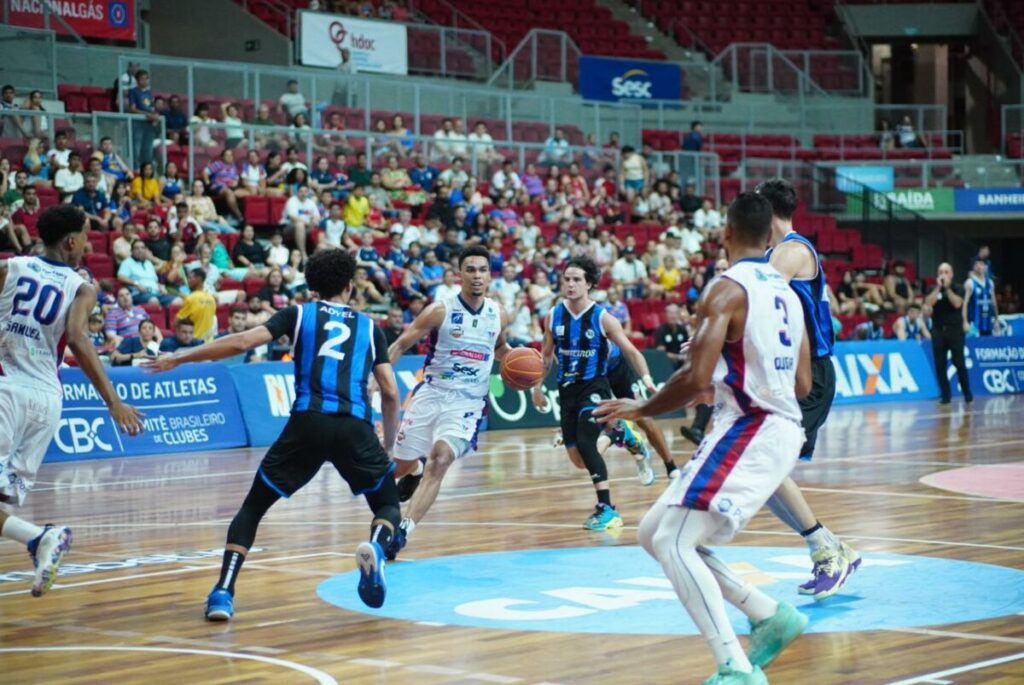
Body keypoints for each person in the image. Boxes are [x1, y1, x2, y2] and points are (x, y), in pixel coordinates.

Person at [594, 191, 812, 685]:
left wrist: (641, 407)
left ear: (727, 233)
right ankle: (766, 612)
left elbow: (693, 379)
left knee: (673, 540)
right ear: (769, 236)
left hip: (751, 428)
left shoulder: (725, 289)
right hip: (776, 426)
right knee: (653, 532)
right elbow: (801, 384)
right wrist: (728, 379)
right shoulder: (788, 293)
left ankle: (735, 665)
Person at [145, 249, 402, 619]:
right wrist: (388, 447)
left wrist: (179, 357)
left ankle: (222, 593)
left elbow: (240, 343)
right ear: (350, 286)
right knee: (388, 505)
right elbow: (391, 392)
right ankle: (376, 550)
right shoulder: (369, 327)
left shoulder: (299, 313)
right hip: (354, 426)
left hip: (307, 424)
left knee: (253, 508)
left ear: (312, 286)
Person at [0, 205, 143, 597]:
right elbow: (78, 339)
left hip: (6, 389)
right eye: (86, 235)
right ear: (70, 241)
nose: (89, 242)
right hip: (46, 400)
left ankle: (39, 538)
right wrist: (112, 401)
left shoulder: (10, 268)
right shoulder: (83, 288)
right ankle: (38, 540)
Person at [754, 179, 860, 599]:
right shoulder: (772, 254)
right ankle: (833, 549)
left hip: (809, 373)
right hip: (786, 371)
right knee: (763, 475)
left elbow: (754, 300)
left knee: (766, 466)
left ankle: (826, 553)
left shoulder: (793, 251)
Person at [385, 246, 511, 559]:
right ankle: (412, 468)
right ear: (459, 274)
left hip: (467, 402)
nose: (477, 276)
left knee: (440, 459)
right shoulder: (439, 310)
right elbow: (401, 344)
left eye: (483, 269)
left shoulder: (499, 314)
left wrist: (524, 367)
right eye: (471, 269)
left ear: (489, 274)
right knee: (395, 468)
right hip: (431, 395)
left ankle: (403, 531)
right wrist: (379, 377)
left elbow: (500, 348)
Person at [532, 256, 657, 530]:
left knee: (588, 443)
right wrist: (537, 386)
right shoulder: (553, 315)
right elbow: (546, 355)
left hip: (595, 388)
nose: (571, 284)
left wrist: (647, 378)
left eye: (577, 279)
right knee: (579, 459)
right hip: (567, 391)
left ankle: (607, 509)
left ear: (589, 284)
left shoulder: (602, 317)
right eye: (567, 279)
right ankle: (619, 433)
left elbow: (631, 351)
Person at [926, 262, 972, 404]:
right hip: (938, 331)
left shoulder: (958, 288)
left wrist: (947, 290)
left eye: (946, 272)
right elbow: (928, 304)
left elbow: (957, 303)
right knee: (940, 365)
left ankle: (967, 393)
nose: (943, 275)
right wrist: (939, 288)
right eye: (941, 272)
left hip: (955, 331)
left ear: (951, 274)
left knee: (959, 363)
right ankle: (946, 396)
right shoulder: (932, 289)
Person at [126, 70, 160, 167]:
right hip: (138, 124)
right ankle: (136, 168)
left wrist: (155, 115)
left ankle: (147, 170)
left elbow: (152, 107)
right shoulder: (133, 91)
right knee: (137, 149)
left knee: (148, 149)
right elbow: (132, 108)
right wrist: (147, 114)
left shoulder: (149, 93)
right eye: (142, 79)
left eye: (146, 78)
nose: (144, 81)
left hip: (149, 125)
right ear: (137, 80)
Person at [177, 268, 218, 342]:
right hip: (209, 342)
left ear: (198, 279)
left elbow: (178, 321)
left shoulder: (191, 298)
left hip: (194, 343)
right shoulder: (211, 299)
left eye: (190, 278)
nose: (188, 281)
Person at [963, 257, 1000, 337]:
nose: (979, 266)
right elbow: (965, 304)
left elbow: (994, 303)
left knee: (989, 348)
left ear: (985, 267)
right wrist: (965, 321)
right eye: (976, 264)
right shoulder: (970, 283)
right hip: (975, 326)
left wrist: (997, 320)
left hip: (988, 324)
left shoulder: (990, 283)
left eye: (981, 264)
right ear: (974, 267)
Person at [654, 303, 690, 369]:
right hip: (667, 364)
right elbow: (661, 353)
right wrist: (678, 357)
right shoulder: (661, 330)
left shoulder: (682, 330)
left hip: (682, 363)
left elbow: (687, 348)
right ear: (666, 315)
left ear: (679, 315)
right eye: (670, 313)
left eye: (675, 313)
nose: (673, 316)